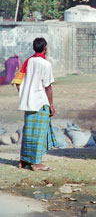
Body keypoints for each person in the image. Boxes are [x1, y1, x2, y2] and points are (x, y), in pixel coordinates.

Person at [16, 37, 58, 171]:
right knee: (39, 134)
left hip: (28, 102)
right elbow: (48, 86)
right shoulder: (45, 64)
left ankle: (23, 161)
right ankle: (36, 163)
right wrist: (51, 104)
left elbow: (18, 82)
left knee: (28, 132)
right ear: (45, 49)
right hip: (40, 102)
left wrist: (25, 94)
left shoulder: (28, 61)